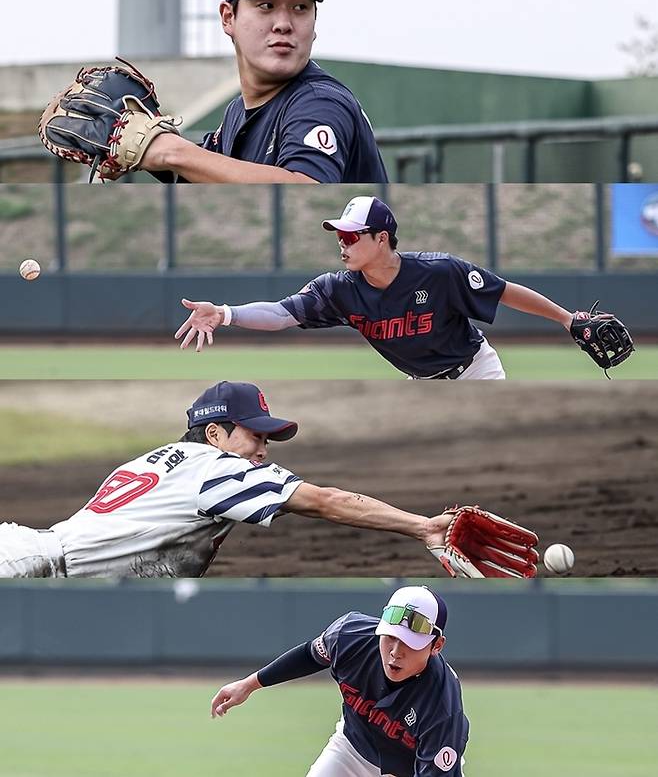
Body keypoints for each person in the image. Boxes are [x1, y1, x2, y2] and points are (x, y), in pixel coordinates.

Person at [0, 381, 452, 578]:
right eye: (255, 435)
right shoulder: (218, 468)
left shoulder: (156, 459)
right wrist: (422, 526)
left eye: (267, 439)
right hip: (31, 568)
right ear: (216, 433)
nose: (262, 450)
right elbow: (324, 500)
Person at [175, 195, 587, 379]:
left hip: (474, 372)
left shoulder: (439, 272)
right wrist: (225, 314)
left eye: (352, 235)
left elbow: (504, 291)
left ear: (382, 239)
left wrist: (568, 320)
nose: (342, 242)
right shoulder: (338, 289)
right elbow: (282, 314)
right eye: (339, 234)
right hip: (421, 383)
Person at [140, 0, 388, 183]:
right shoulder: (238, 112)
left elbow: (304, 186)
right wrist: (146, 149)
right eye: (266, 5)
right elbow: (204, 169)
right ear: (228, 18)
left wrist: (171, 152)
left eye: (300, 7)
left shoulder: (318, 102)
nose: (283, 24)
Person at [211, 584, 469, 777]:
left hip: (413, 768)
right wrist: (249, 684)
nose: (395, 652)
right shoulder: (349, 637)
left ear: (436, 645)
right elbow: (309, 656)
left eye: (411, 643)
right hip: (352, 749)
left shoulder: (444, 708)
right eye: (390, 637)